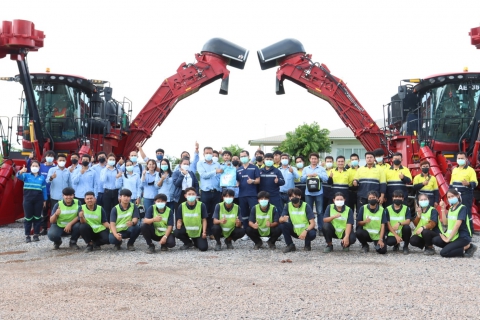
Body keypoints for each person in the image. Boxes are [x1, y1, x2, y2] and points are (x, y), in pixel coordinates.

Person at [433, 188, 477, 258]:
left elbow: (457, 225)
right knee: (435, 240)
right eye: (449, 197)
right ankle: (453, 247)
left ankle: (468, 247)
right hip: (454, 236)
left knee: (444, 253)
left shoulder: (462, 208)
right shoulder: (451, 208)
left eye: (452, 196)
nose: (451, 198)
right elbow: (445, 223)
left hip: (462, 237)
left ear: (458, 196)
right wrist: (443, 209)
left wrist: (448, 239)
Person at [17, 162, 47, 242]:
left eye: (36, 166)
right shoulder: (26, 175)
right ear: (30, 167)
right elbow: (18, 176)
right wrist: (21, 171)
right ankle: (27, 236)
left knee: (37, 217)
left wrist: (45, 200)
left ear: (39, 167)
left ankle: (36, 234)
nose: (34, 167)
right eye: (33, 166)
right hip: (28, 200)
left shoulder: (42, 178)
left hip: (38, 200)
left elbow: (44, 189)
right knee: (28, 218)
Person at [28, 150, 56, 235]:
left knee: (54, 211)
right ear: (45, 157)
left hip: (53, 193)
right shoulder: (40, 167)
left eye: (51, 156)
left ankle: (53, 228)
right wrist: (29, 159)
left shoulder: (56, 168)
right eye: (48, 156)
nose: (49, 157)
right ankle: (44, 229)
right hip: (43, 193)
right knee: (44, 212)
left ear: (54, 158)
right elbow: (31, 170)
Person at [279, 188, 316, 252]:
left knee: (312, 234)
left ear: (300, 196)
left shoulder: (306, 206)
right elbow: (280, 219)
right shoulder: (288, 205)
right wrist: (282, 219)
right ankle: (290, 245)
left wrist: (305, 231)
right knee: (282, 225)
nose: (294, 198)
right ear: (289, 198)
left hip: (306, 230)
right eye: (292, 196)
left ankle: (307, 245)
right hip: (295, 230)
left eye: (296, 196)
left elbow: (313, 223)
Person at [196, 146, 222, 237]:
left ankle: (212, 232)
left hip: (216, 191)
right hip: (205, 192)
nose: (208, 154)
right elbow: (203, 175)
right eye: (206, 153)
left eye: (210, 153)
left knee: (215, 212)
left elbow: (220, 177)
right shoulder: (200, 163)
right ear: (203, 154)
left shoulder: (217, 164)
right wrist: (215, 172)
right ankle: (204, 231)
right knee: (205, 212)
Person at [300, 152, 328, 235]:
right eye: (312, 158)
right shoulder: (306, 169)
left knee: (320, 211)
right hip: (308, 193)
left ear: (318, 159)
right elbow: (301, 180)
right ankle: (310, 228)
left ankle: (320, 228)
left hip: (319, 193)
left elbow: (326, 179)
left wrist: (318, 174)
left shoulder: (321, 169)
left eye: (315, 159)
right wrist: (306, 176)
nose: (313, 160)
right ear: (309, 159)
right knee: (309, 211)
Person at [449, 152, 477, 231]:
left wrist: (468, 184)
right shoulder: (454, 170)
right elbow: (451, 183)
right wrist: (449, 193)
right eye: (459, 158)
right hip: (455, 196)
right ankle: (457, 229)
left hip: (466, 195)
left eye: (462, 158)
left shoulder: (471, 170)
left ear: (466, 159)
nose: (460, 160)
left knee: (467, 212)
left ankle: (469, 230)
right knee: (455, 211)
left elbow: (475, 183)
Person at [174, 187, 208, 251]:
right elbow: (179, 219)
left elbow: (204, 220)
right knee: (176, 232)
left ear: (196, 195)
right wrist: (179, 223)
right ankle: (188, 242)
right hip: (187, 230)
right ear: (185, 196)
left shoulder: (201, 205)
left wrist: (204, 232)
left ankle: (195, 241)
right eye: (189, 194)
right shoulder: (182, 206)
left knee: (203, 248)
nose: (191, 196)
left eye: (193, 194)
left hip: (198, 231)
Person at [237, 150, 260, 240]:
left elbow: (258, 180)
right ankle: (246, 232)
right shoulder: (238, 169)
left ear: (248, 156)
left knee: (255, 213)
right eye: (241, 156)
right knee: (244, 214)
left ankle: (257, 231)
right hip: (242, 195)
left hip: (252, 194)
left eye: (244, 156)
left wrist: (252, 181)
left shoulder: (254, 168)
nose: (243, 158)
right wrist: (236, 183)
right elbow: (238, 181)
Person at [385, 190, 412, 254]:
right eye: (395, 197)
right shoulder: (387, 209)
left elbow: (408, 221)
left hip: (402, 232)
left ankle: (405, 246)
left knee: (407, 228)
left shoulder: (406, 208)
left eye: (400, 197)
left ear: (403, 199)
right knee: (389, 242)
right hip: (392, 232)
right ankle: (396, 244)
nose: (397, 198)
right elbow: (388, 224)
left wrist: (399, 223)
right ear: (392, 198)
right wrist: (396, 236)